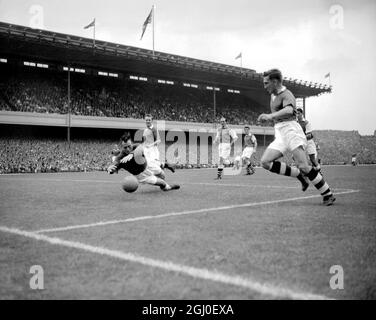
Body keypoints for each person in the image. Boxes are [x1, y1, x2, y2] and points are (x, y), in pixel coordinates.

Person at [257, 68, 335, 206]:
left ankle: (327, 194)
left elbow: (288, 110)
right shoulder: (273, 94)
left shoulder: (287, 94)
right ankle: (299, 176)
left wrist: (269, 116)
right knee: (265, 162)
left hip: (292, 131)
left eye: (266, 83)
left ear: (275, 82)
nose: (264, 86)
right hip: (280, 133)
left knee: (304, 166)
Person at [107, 132, 180, 191]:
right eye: (125, 147)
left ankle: (166, 165)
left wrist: (131, 154)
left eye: (129, 146)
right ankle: (167, 187)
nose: (128, 149)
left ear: (131, 143)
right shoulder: (120, 158)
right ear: (122, 147)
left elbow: (140, 148)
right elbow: (114, 165)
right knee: (162, 183)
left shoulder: (137, 146)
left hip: (148, 165)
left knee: (162, 175)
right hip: (141, 175)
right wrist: (110, 170)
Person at [296, 107, 321, 172]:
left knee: (312, 159)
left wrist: (300, 137)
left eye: (298, 113)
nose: (297, 115)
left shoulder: (307, 123)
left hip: (308, 142)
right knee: (296, 157)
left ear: (302, 114)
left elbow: (309, 135)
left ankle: (319, 171)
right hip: (301, 143)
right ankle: (302, 172)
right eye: (296, 113)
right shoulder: (295, 123)